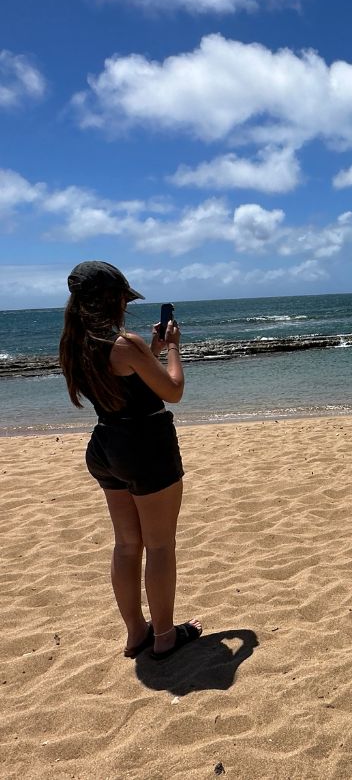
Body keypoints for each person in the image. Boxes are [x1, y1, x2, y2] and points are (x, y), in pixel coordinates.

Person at [59, 261, 202, 660]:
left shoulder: (76, 342)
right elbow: (172, 390)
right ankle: (165, 636)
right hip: (145, 446)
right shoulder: (125, 342)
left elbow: (121, 378)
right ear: (114, 297)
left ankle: (135, 633)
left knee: (126, 545)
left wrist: (150, 352)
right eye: (124, 297)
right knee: (159, 546)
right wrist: (172, 346)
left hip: (106, 444)